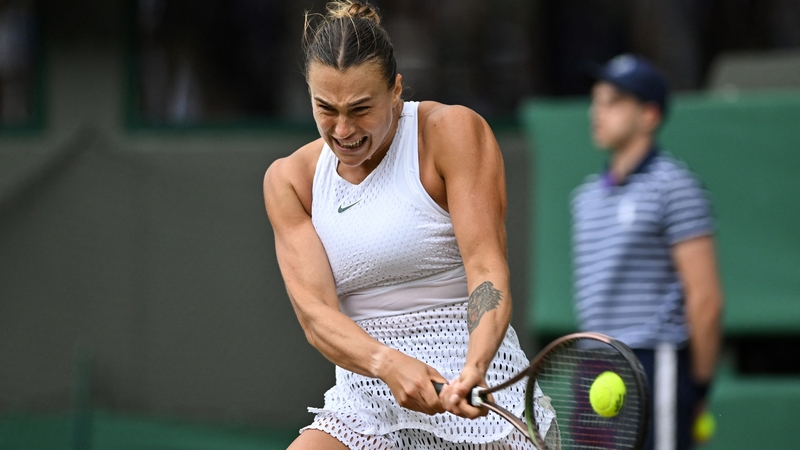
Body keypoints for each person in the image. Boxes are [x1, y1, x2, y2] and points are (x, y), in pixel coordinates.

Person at [263, 2, 554, 449]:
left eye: (361, 109)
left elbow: (486, 273)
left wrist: (474, 366)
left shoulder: (451, 133)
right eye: (326, 108)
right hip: (365, 403)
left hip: (476, 391)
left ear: (395, 90)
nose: (342, 129)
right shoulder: (291, 181)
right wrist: (386, 363)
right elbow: (316, 316)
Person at [570, 54, 724, 450]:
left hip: (654, 363)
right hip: (594, 363)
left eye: (614, 101)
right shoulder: (585, 199)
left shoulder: (676, 187)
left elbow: (705, 300)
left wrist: (698, 386)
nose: (597, 112)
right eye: (596, 99)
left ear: (649, 115)